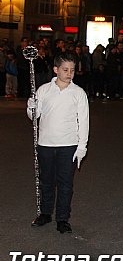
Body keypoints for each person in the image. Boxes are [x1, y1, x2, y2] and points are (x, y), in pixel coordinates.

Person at [27, 52, 89, 234]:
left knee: (65, 184)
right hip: (46, 143)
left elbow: (83, 121)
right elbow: (34, 117)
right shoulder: (44, 90)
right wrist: (31, 107)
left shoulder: (78, 93)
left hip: (68, 144)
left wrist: (82, 146)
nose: (69, 73)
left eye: (72, 70)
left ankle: (62, 218)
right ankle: (45, 214)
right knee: (46, 181)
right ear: (55, 70)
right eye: (65, 70)